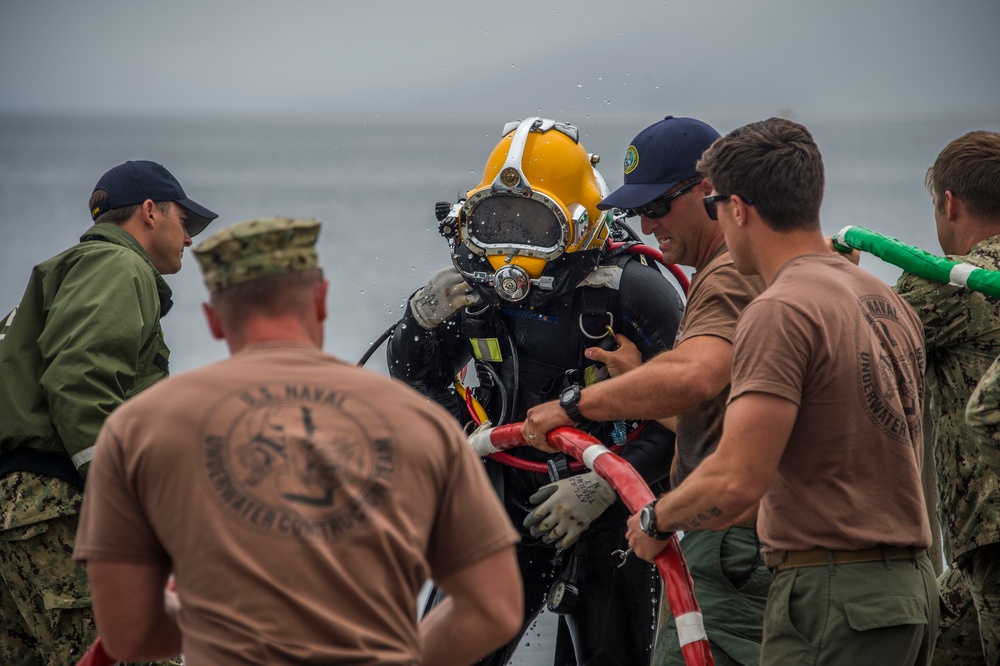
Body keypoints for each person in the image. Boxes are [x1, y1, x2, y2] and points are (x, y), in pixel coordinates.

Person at [73, 217, 523, 664]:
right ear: (321, 301)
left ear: (212, 319)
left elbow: (129, 631)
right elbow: (494, 609)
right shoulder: (423, 427)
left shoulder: (136, 428)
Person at [622, 117, 938, 665]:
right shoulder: (883, 300)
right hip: (910, 593)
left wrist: (656, 518)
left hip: (831, 592)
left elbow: (739, 479)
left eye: (716, 204)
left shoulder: (779, 307)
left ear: (736, 208)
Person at [387, 117, 684, 665]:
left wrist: (604, 488)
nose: (510, 250)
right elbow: (415, 384)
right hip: (500, 504)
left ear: (575, 225)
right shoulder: (473, 291)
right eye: (495, 222)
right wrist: (416, 325)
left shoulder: (631, 292)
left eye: (531, 223)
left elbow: (689, 423)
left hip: (610, 522)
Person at [522, 115, 771, 666]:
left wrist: (575, 406)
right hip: (760, 543)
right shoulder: (763, 270)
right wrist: (639, 381)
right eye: (637, 212)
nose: (648, 224)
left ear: (709, 190)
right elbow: (733, 431)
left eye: (658, 206)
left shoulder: (727, 276)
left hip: (737, 549)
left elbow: (694, 380)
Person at [0, 160, 217, 665]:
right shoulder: (117, 267)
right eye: (186, 223)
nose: (190, 240)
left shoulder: (59, 277)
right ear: (149, 212)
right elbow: (80, 378)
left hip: (18, 515)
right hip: (59, 508)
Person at [892, 130, 1000, 664]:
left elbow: (848, 345)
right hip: (970, 553)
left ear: (949, 203)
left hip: (991, 531)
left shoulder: (953, 283)